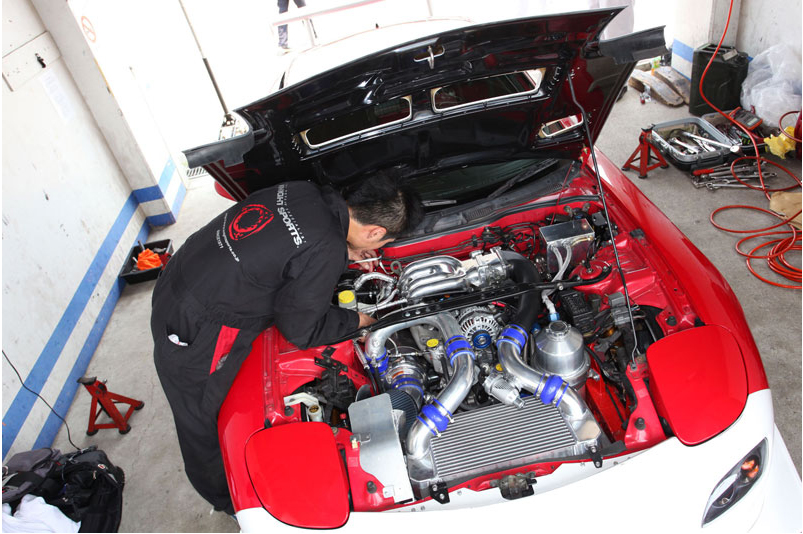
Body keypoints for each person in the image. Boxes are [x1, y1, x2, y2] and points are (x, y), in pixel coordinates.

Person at [150, 173, 423, 515]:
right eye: (382, 243)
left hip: (183, 275)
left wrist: (345, 254)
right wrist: (357, 321)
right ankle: (230, 502)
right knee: (201, 418)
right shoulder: (325, 247)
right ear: (375, 232)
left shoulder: (302, 191)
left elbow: (289, 249)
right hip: (198, 326)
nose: (377, 250)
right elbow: (301, 329)